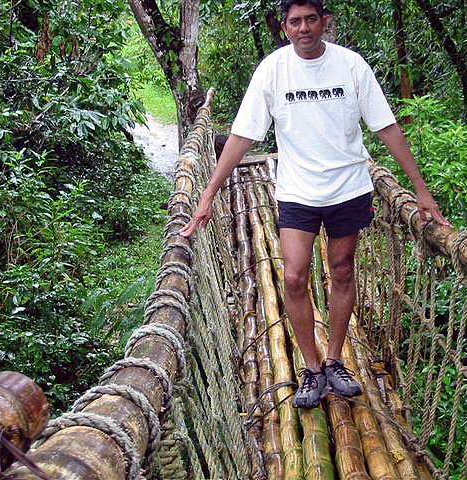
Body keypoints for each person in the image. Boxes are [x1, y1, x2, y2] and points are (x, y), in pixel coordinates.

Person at [180, 0, 449, 409]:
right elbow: (243, 136)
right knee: (293, 276)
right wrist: (208, 194)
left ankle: (334, 359)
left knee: (342, 270)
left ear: (324, 22)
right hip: (297, 192)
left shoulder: (351, 65)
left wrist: (421, 190)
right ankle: (310, 368)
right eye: (295, 21)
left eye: (311, 19)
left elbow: (386, 127)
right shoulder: (272, 70)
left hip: (348, 188)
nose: (303, 28)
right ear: (284, 27)